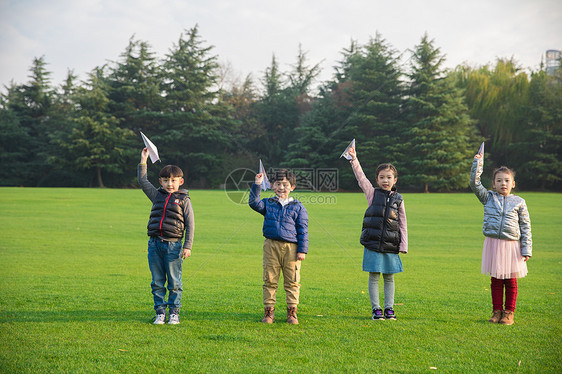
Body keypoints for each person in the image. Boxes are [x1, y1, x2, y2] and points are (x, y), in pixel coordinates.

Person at [470, 152, 531, 325]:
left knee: (510, 281)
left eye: (506, 180)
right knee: (496, 280)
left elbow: (526, 226)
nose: (502, 183)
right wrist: (477, 163)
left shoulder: (519, 202)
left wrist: (526, 249)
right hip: (493, 244)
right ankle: (496, 312)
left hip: (512, 245)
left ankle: (509, 313)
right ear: (493, 184)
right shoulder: (488, 198)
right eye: (498, 180)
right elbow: (474, 184)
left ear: (513, 184)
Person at [347, 147, 408, 320]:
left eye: (389, 177)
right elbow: (361, 178)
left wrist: (403, 245)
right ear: (377, 179)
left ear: (395, 179)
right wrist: (354, 159)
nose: (385, 180)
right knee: (374, 276)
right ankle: (376, 309)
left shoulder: (399, 199)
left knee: (389, 278)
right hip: (372, 243)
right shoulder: (372, 193)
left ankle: (389, 308)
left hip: (391, 244)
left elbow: (402, 223)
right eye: (382, 177)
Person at [138, 147, 195, 325]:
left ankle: (174, 313)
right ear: (160, 181)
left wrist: (188, 246)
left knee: (174, 282)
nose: (170, 184)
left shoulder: (184, 200)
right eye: (166, 180)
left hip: (174, 247)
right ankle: (160, 312)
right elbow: (142, 180)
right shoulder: (156, 196)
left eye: (173, 180)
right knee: (157, 282)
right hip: (154, 245)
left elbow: (190, 224)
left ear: (181, 181)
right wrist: (143, 160)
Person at [249, 169, 309, 324]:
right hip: (271, 246)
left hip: (292, 248)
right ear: (272, 186)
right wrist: (257, 184)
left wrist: (302, 250)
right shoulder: (268, 203)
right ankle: (269, 312)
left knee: (292, 281)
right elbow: (254, 203)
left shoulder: (298, 207)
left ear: (292, 187)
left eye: (285, 184)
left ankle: (292, 313)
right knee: (270, 279)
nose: (282, 187)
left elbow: (303, 230)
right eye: (278, 184)